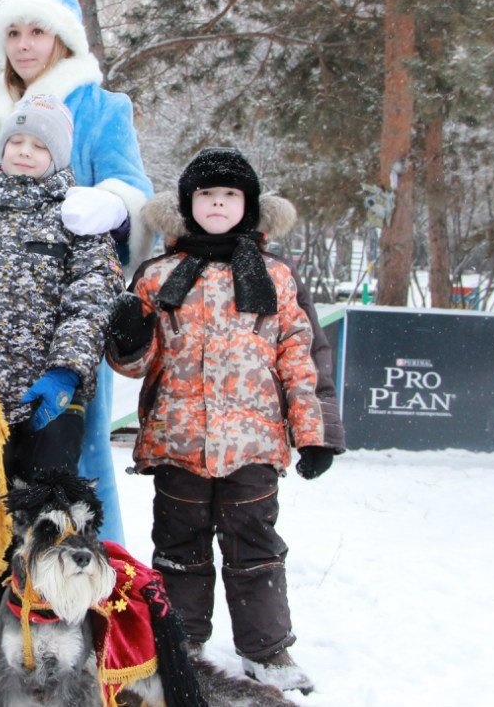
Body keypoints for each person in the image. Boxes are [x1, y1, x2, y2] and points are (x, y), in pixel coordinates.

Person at [104, 146, 345, 693]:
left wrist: (316, 433)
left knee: (254, 548)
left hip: (253, 444)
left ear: (250, 205)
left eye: (229, 195)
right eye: (206, 195)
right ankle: (181, 642)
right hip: (177, 440)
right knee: (178, 549)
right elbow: (135, 363)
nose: (217, 203)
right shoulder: (159, 275)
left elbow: (300, 356)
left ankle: (268, 652)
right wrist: (127, 334)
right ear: (188, 205)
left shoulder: (277, 277)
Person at [0, 0, 153, 545]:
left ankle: (89, 583)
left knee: (71, 472)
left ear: (63, 39)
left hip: (62, 320)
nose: (24, 45)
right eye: (14, 33)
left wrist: (112, 202)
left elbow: (136, 189)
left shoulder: (101, 107)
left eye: (37, 31)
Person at [0, 95, 122, 484]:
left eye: (39, 146)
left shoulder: (78, 221)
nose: (25, 152)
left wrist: (65, 372)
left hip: (49, 400)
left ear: (58, 157)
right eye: (17, 141)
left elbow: (91, 304)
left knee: (43, 518)